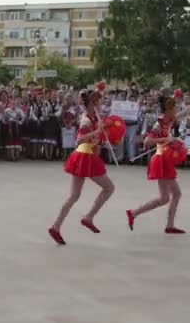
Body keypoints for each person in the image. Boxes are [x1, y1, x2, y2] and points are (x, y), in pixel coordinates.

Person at [49, 92, 116, 245]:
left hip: (87, 155)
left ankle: (56, 226)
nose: (101, 106)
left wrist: (103, 135)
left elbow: (96, 139)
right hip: (85, 156)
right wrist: (97, 131)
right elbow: (79, 139)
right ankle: (88, 217)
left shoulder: (94, 118)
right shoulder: (86, 120)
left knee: (74, 195)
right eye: (99, 103)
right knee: (108, 188)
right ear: (93, 104)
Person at [126, 96, 190, 234]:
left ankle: (135, 213)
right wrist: (166, 139)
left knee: (166, 197)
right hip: (161, 159)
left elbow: (184, 112)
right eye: (173, 108)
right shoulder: (159, 123)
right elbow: (148, 141)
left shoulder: (169, 120)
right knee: (174, 194)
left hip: (164, 159)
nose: (176, 111)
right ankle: (167, 224)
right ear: (168, 110)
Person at [3, 97, 25, 161]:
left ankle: (16, 155)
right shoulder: (7, 110)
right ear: (10, 104)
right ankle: (10, 156)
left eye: (14, 103)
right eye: (12, 103)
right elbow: (3, 118)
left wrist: (20, 122)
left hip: (16, 126)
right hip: (9, 127)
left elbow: (23, 117)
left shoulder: (19, 110)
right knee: (10, 141)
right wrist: (6, 122)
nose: (13, 104)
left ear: (16, 104)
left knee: (17, 141)